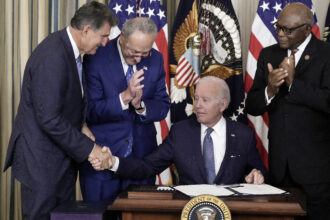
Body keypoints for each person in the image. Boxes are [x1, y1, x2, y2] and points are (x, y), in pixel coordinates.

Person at [3, 2, 117, 220]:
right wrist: (90, 149)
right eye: (103, 36)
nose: (105, 43)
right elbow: (49, 119)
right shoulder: (53, 56)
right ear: (86, 30)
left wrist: (82, 125)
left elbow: (62, 102)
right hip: (41, 164)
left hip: (58, 161)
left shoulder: (69, 51)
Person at [91, 76, 268, 185]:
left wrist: (256, 175)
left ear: (222, 105)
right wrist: (113, 162)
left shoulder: (243, 134)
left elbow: (256, 172)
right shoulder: (181, 132)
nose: (197, 105)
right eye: (196, 98)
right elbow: (148, 166)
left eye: (205, 100)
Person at [245, 3, 330, 220]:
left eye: (288, 30)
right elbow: (252, 106)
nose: (281, 34)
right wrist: (270, 89)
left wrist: (293, 84)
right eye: (278, 27)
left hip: (316, 170)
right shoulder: (268, 55)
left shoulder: (325, 55)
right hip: (280, 166)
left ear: (307, 29)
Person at [79, 17, 170, 202]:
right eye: (133, 51)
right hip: (102, 158)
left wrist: (140, 106)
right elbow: (90, 111)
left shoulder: (156, 59)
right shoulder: (96, 56)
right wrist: (124, 98)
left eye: (144, 53)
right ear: (122, 37)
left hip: (141, 160)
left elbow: (162, 106)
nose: (137, 58)